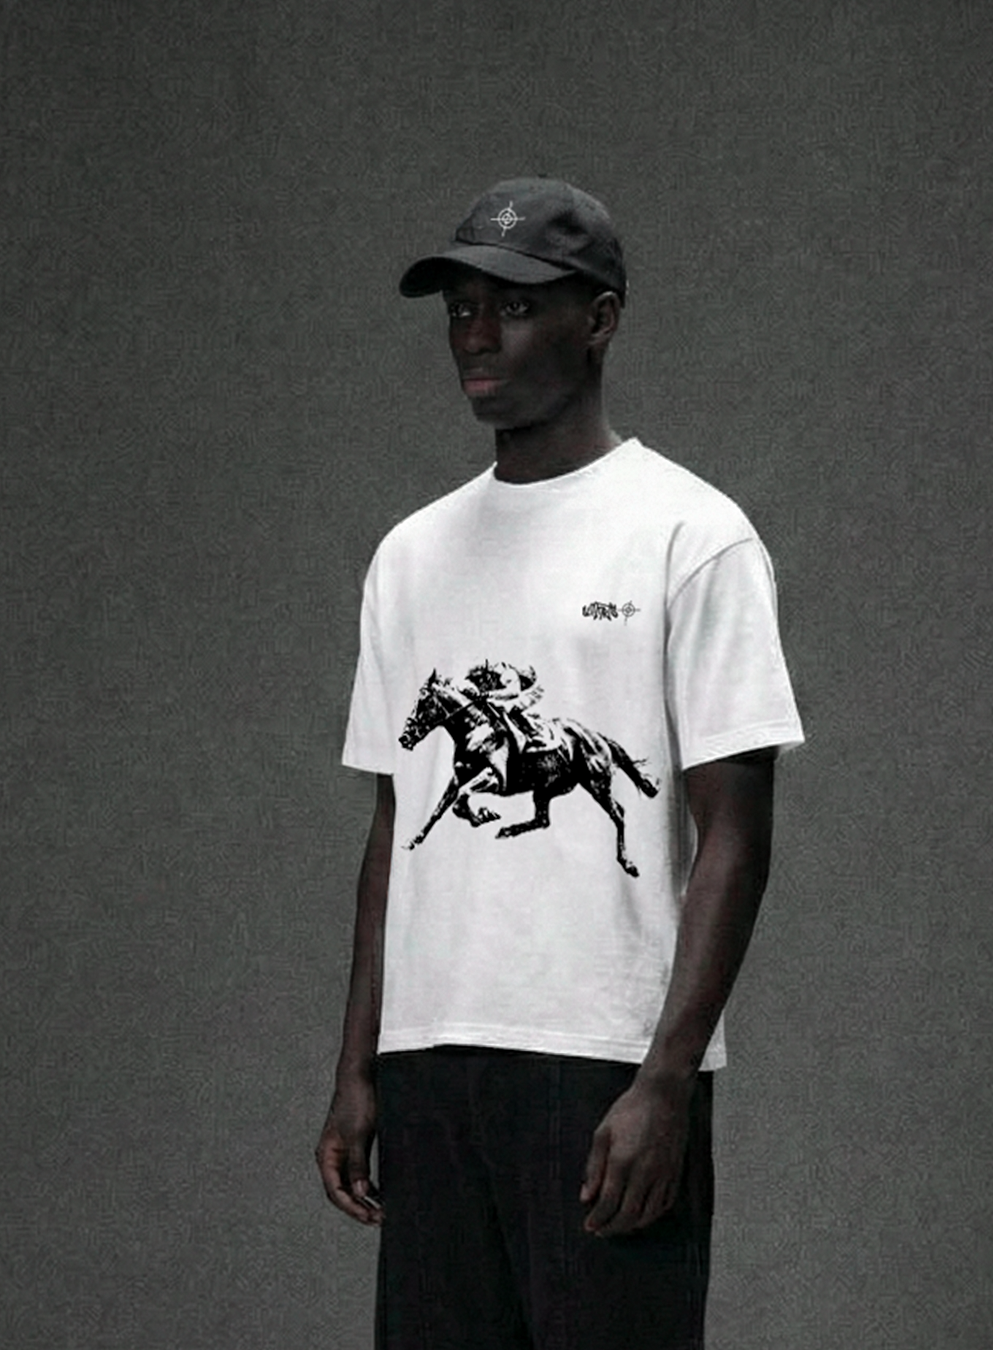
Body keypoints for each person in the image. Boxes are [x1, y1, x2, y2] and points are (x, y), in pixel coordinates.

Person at [315, 176, 804, 1350]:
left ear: (601, 319)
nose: (478, 337)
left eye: (517, 307)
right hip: (431, 1066)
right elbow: (394, 833)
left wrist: (667, 1078)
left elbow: (735, 833)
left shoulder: (691, 536)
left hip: (601, 1061)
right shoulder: (409, 555)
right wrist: (360, 1067)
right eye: (461, 310)